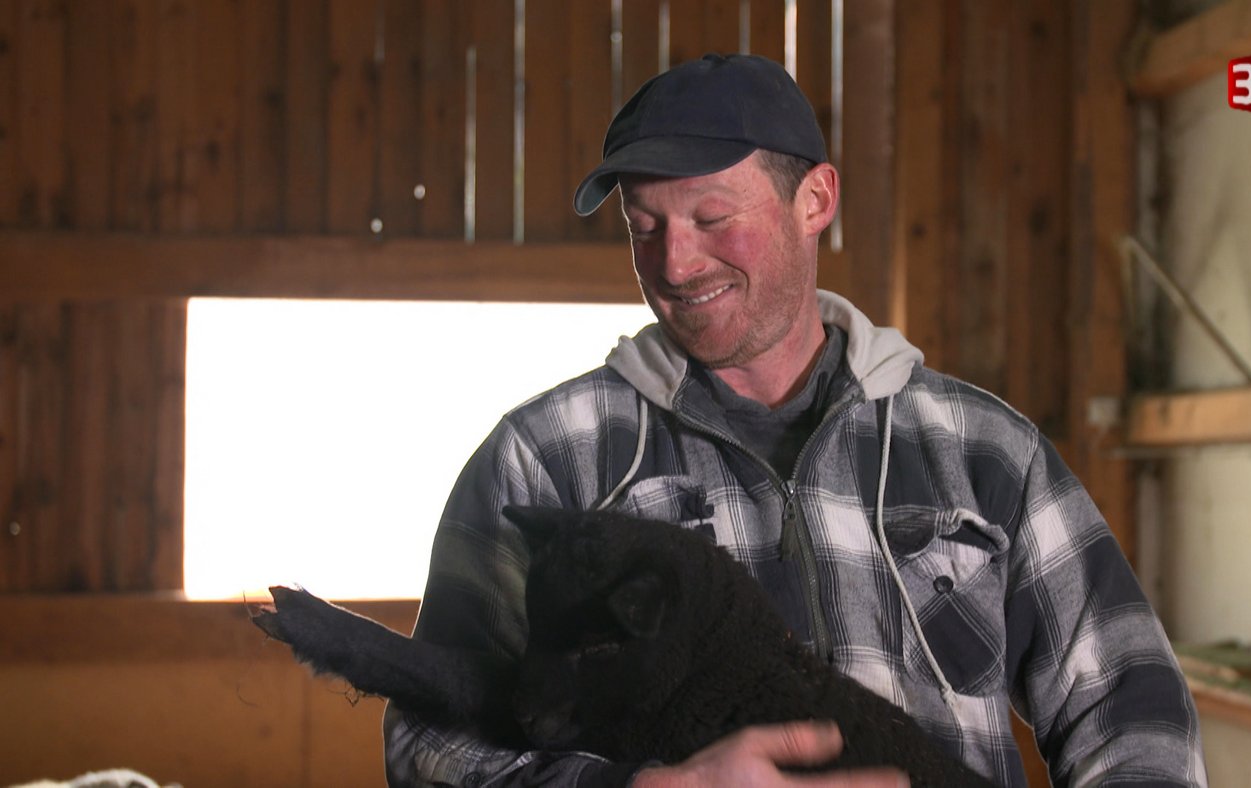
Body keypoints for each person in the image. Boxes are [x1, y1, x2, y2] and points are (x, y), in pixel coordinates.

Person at [384, 53, 1207, 787]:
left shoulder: (986, 451)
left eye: (712, 219)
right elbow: (431, 743)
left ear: (815, 200)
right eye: (644, 228)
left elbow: (1135, 709)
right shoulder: (546, 459)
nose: (675, 263)